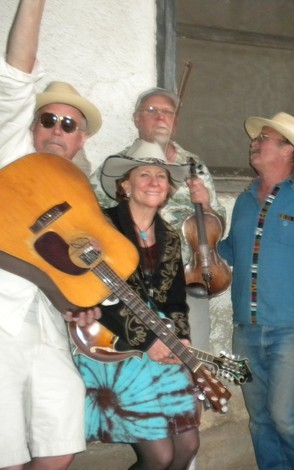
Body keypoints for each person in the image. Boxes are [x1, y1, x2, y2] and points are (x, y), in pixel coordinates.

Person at [0, 1, 103, 468]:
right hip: (2, 319)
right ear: (32, 125)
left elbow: (69, 266)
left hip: (47, 323)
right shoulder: (12, 152)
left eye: (69, 125)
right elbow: (16, 75)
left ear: (81, 139)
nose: (57, 130)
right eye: (48, 120)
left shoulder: (78, 190)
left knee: (61, 443)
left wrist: (81, 301)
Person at [73, 140, 202, 469]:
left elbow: (175, 298)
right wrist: (146, 341)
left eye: (161, 176)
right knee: (159, 456)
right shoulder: (102, 225)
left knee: (188, 446)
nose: (154, 182)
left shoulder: (170, 236)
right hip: (117, 344)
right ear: (126, 186)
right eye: (144, 174)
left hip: (163, 340)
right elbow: (91, 290)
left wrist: (182, 337)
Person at [218, 112, 294, 469]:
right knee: (260, 418)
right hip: (245, 327)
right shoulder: (243, 201)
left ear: (288, 150)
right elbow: (228, 253)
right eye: (257, 138)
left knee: (284, 415)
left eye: (263, 138)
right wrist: (200, 224)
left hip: (292, 328)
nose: (254, 143)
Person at [91, 86, 227, 353]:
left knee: (190, 355)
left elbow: (217, 225)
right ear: (136, 119)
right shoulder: (117, 164)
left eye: (168, 112)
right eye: (152, 111)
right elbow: (90, 217)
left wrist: (207, 205)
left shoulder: (194, 165)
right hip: (124, 289)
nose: (160, 117)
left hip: (186, 279)